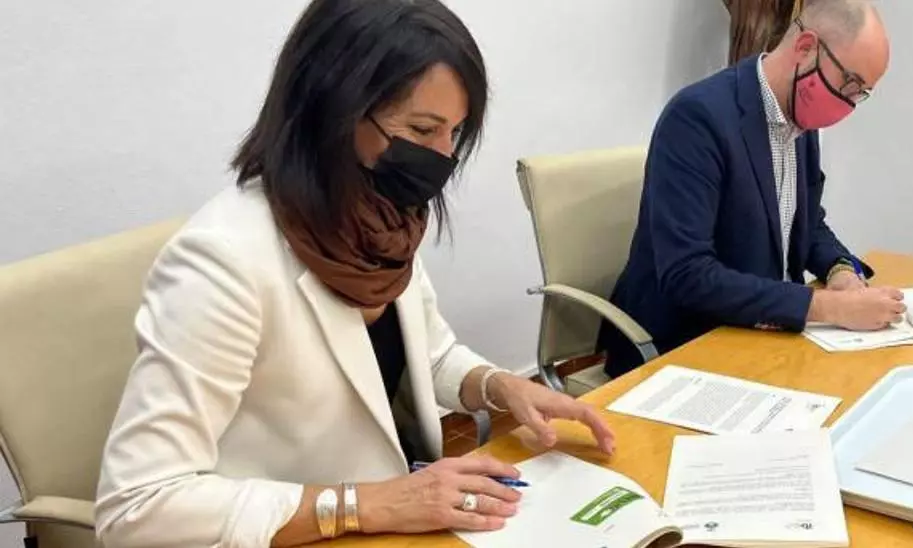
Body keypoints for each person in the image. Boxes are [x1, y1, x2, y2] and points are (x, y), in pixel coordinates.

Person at [94, 1, 615, 546]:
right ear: (334, 114)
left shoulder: (380, 221)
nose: (443, 158)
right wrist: (367, 504)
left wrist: (500, 386)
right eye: (423, 129)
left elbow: (429, 355)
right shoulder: (223, 261)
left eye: (455, 133)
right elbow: (137, 507)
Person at [601, 0, 905, 377]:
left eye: (862, 94)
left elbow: (807, 223)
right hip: (685, 345)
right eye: (850, 85)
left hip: (762, 335)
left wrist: (841, 270)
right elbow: (688, 275)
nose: (849, 105)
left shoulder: (802, 120)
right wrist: (826, 307)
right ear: (805, 47)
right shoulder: (698, 118)